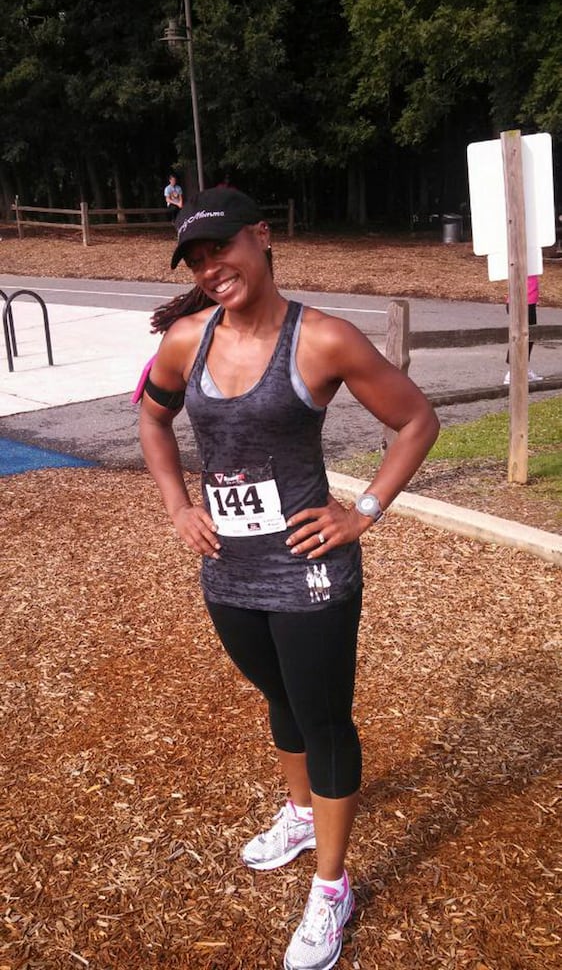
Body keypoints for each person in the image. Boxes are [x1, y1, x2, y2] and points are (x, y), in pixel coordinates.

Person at [137, 187, 439, 970]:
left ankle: (332, 888)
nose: (211, 268)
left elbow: (416, 420)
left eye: (222, 248)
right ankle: (302, 814)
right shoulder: (186, 340)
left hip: (309, 570)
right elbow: (152, 417)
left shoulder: (323, 339)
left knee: (324, 719)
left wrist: (362, 511)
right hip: (229, 569)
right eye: (196, 260)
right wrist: (178, 505)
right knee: (279, 695)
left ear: (262, 237)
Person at [504, 274, 543, 385]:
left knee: (529, 337)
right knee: (520, 337)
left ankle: (523, 369)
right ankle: (512, 373)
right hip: (522, 301)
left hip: (529, 301)